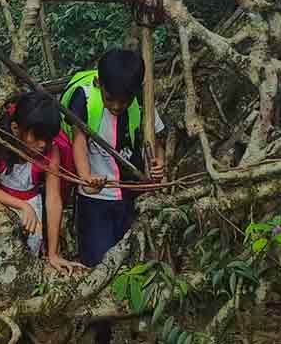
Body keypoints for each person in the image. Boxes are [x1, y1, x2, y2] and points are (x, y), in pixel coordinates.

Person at [60, 50, 166, 343]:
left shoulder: (141, 102)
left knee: (135, 264)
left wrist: (159, 162)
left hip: (131, 198)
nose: (118, 106)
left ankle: (137, 327)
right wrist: (85, 177)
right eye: (112, 99)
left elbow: (157, 139)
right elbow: (79, 141)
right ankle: (101, 333)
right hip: (94, 200)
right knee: (98, 266)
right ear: (99, 84)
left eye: (125, 100)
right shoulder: (84, 97)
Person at [0, 91, 81, 273]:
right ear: (16, 128)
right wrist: (23, 207)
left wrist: (53, 253)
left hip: (34, 209)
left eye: (47, 138)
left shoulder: (51, 152)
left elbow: (53, 200)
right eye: (37, 137)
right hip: (0, 208)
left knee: (28, 258)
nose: (42, 144)